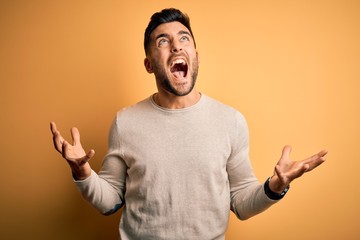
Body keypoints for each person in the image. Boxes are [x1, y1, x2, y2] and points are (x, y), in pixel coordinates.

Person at [50, 8, 327, 240]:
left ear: (195, 55)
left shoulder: (230, 121)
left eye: (184, 38)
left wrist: (275, 187)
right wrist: (83, 172)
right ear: (149, 64)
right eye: (163, 41)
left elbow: (241, 202)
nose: (176, 45)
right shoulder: (126, 122)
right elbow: (110, 202)